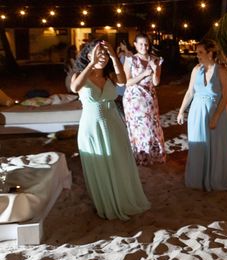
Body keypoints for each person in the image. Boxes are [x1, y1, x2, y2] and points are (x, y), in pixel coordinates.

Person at [70, 39, 150, 220]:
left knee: (119, 163)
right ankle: (107, 203)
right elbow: (74, 88)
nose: (102, 57)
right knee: (101, 165)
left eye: (105, 54)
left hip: (114, 123)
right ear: (88, 55)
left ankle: (123, 199)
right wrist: (91, 64)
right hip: (92, 126)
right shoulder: (79, 76)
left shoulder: (111, 76)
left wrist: (114, 56)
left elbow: (123, 81)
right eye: (98, 53)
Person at [177, 39, 227, 191]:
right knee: (199, 145)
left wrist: (216, 116)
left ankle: (215, 177)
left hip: (216, 113)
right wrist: (182, 110)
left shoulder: (221, 70)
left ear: (210, 53)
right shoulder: (196, 69)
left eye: (200, 52)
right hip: (196, 113)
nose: (197, 55)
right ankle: (199, 178)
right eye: (197, 52)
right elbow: (190, 92)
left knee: (215, 146)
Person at [122, 33, 166, 166]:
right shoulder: (130, 59)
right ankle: (141, 156)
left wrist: (155, 68)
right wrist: (144, 74)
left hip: (150, 97)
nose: (144, 47)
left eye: (146, 44)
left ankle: (154, 155)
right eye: (140, 44)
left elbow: (156, 82)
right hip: (134, 98)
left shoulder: (155, 59)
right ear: (135, 45)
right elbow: (126, 82)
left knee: (152, 126)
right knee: (139, 127)